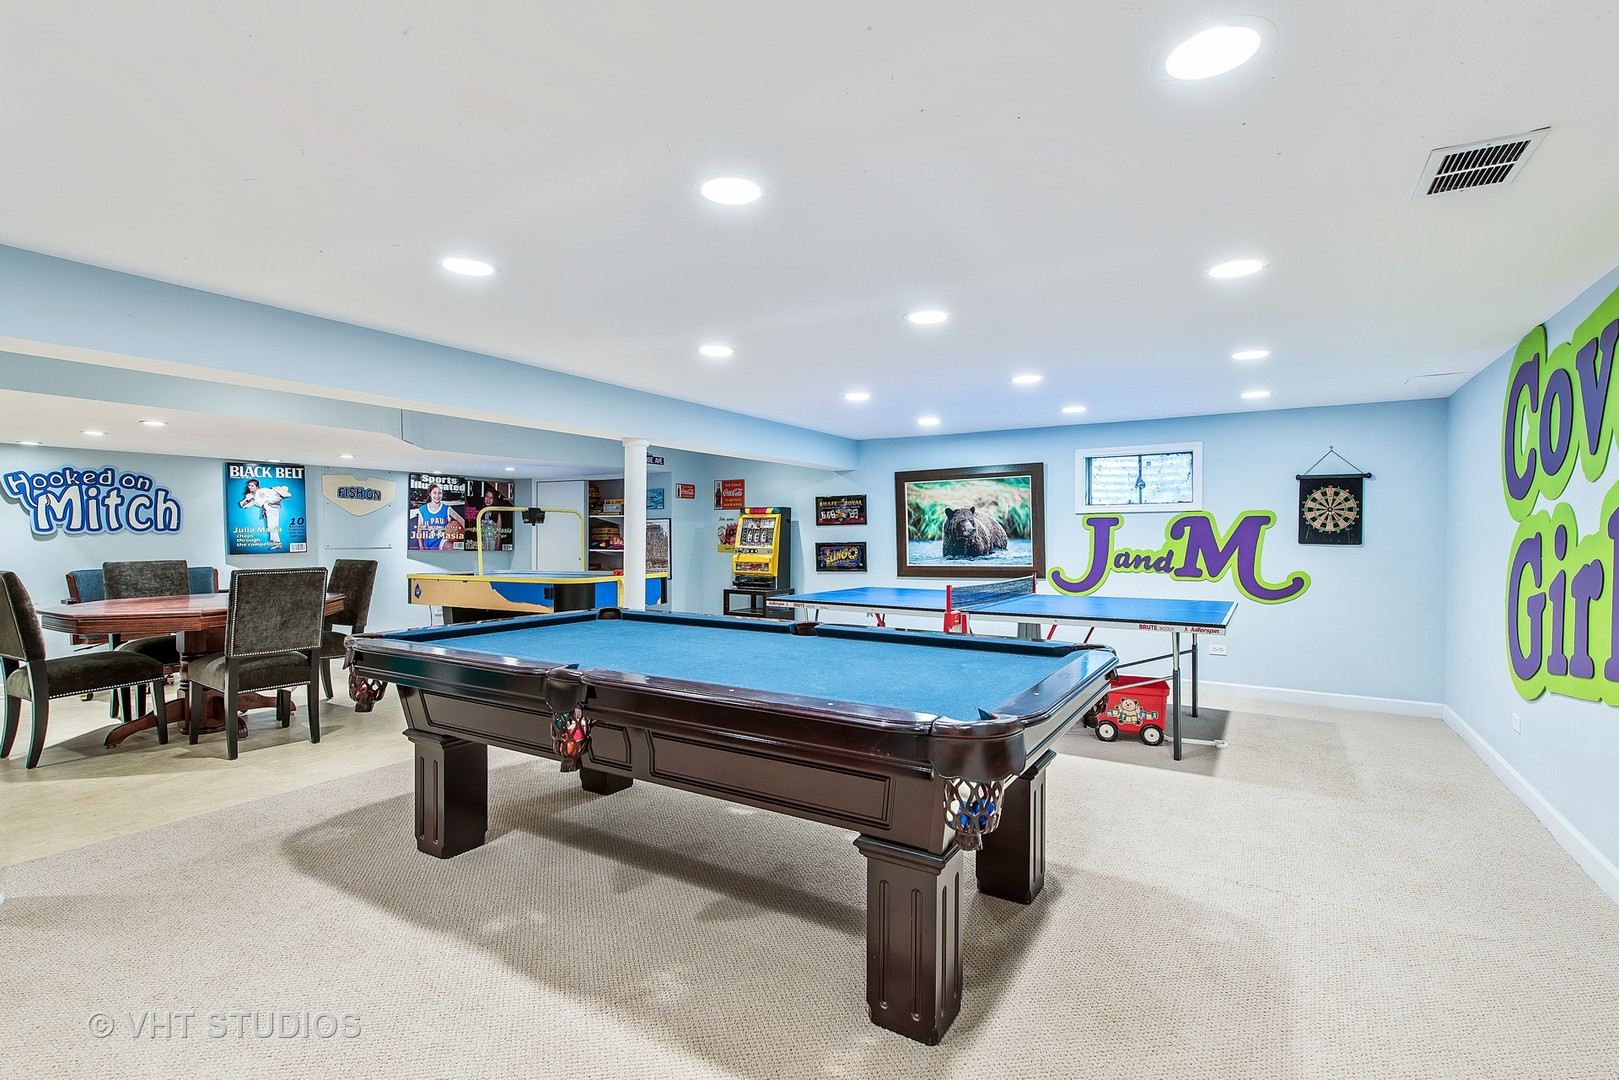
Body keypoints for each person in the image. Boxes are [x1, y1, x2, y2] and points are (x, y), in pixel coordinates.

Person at [239, 478, 293, 548]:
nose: (250, 487)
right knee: (271, 526)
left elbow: (271, 492)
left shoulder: (263, 490)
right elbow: (243, 505)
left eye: (252, 486)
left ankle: (281, 494)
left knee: (270, 500)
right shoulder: (250, 496)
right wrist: (247, 500)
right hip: (269, 509)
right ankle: (277, 544)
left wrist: (277, 490)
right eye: (249, 485)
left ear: (257, 487)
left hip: (271, 504)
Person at [410, 483, 457, 549]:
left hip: (442, 540)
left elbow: (460, 519)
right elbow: (419, 530)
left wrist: (463, 530)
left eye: (439, 493)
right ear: (430, 494)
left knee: (450, 546)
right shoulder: (423, 509)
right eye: (434, 493)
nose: (437, 495)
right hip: (429, 543)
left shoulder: (447, 508)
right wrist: (421, 546)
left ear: (442, 494)